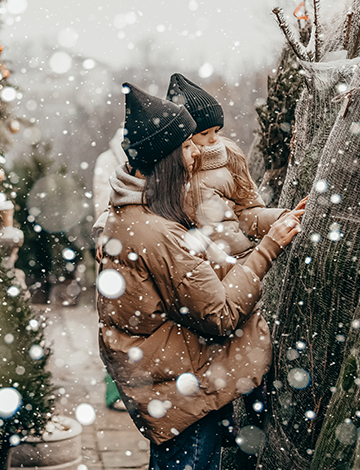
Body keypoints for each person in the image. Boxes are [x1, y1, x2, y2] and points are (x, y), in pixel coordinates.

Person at [96, 82, 304, 470]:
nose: (200, 152)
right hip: (179, 389)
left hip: (166, 380)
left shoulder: (132, 214)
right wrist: (269, 246)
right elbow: (219, 314)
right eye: (189, 145)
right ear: (168, 158)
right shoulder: (159, 231)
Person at [167, 73, 301, 259]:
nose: (214, 138)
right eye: (204, 133)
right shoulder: (169, 173)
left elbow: (248, 212)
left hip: (239, 258)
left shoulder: (230, 160)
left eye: (217, 130)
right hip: (196, 268)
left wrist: (280, 218)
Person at [92, 128, 129, 411]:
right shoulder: (111, 163)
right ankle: (115, 393)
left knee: (117, 324)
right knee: (117, 325)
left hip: (118, 248)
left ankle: (121, 392)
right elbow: (103, 205)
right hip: (117, 249)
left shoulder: (109, 161)